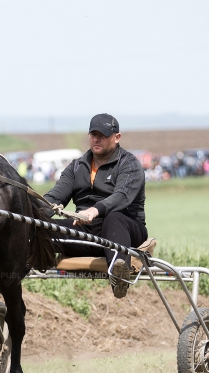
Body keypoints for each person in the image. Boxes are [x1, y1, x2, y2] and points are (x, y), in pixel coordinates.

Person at [43, 113, 147, 298]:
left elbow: (121, 196)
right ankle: (1, 280)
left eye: (103, 135)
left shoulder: (129, 164)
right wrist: (29, 213)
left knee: (113, 218)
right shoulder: (76, 167)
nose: (97, 139)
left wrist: (94, 210)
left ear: (117, 137)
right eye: (93, 134)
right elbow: (55, 196)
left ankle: (118, 275)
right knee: (40, 229)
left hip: (125, 233)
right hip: (86, 233)